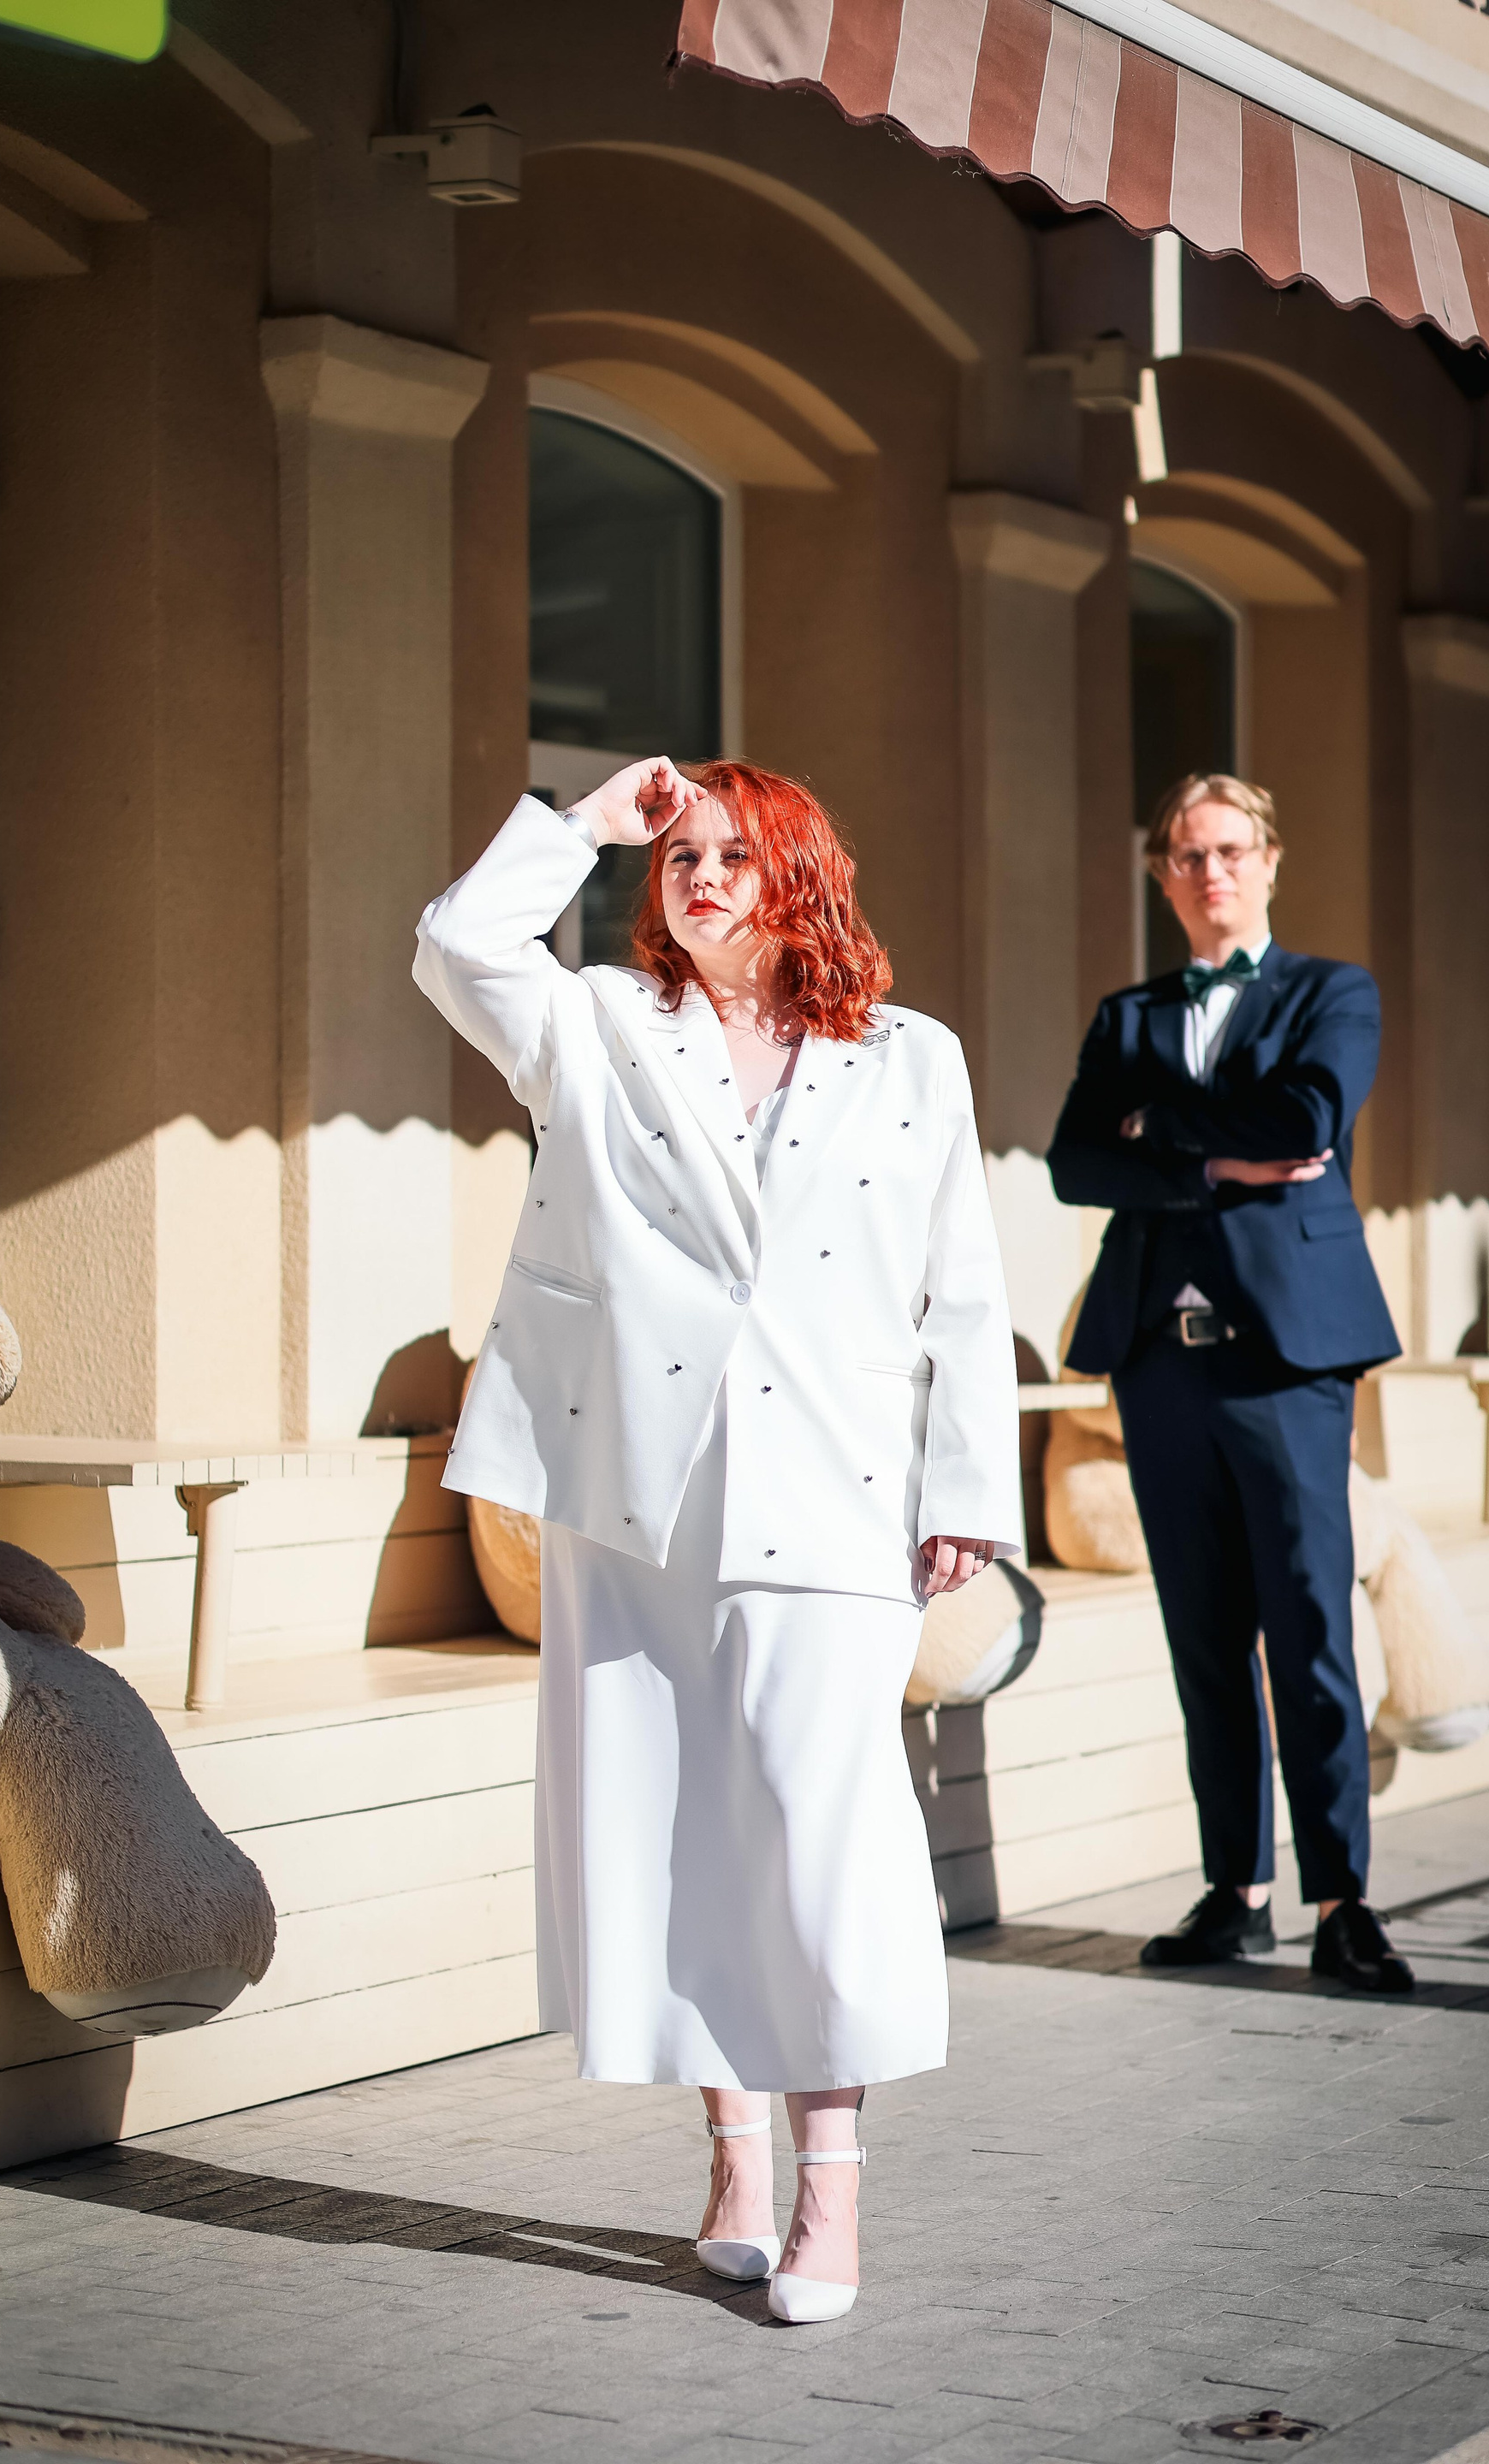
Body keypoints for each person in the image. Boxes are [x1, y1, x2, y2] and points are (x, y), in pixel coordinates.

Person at [415, 755, 1020, 2320]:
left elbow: (963, 1286)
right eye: (680, 856)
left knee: (825, 1835)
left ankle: (835, 2190)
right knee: (673, 1825)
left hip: (838, 1491)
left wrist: (968, 1487)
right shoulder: (602, 1026)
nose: (699, 876)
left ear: (797, 872)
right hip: (644, 1498)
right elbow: (460, 945)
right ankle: (736, 2164)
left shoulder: (912, 1056)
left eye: (734, 855)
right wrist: (587, 823)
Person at [1046, 773, 1414, 1995]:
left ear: (1270, 860)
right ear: (1164, 876)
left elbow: (1307, 1118)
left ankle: (1343, 1901)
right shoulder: (1128, 1016)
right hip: (1159, 1359)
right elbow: (1075, 1163)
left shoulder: (1333, 993)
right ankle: (1235, 1893)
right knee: (1204, 1634)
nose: (1212, 872)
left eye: (1231, 850)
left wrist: (1159, 1130)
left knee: (1308, 1628)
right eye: (1189, 855)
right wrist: (1219, 1160)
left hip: (1286, 1359)